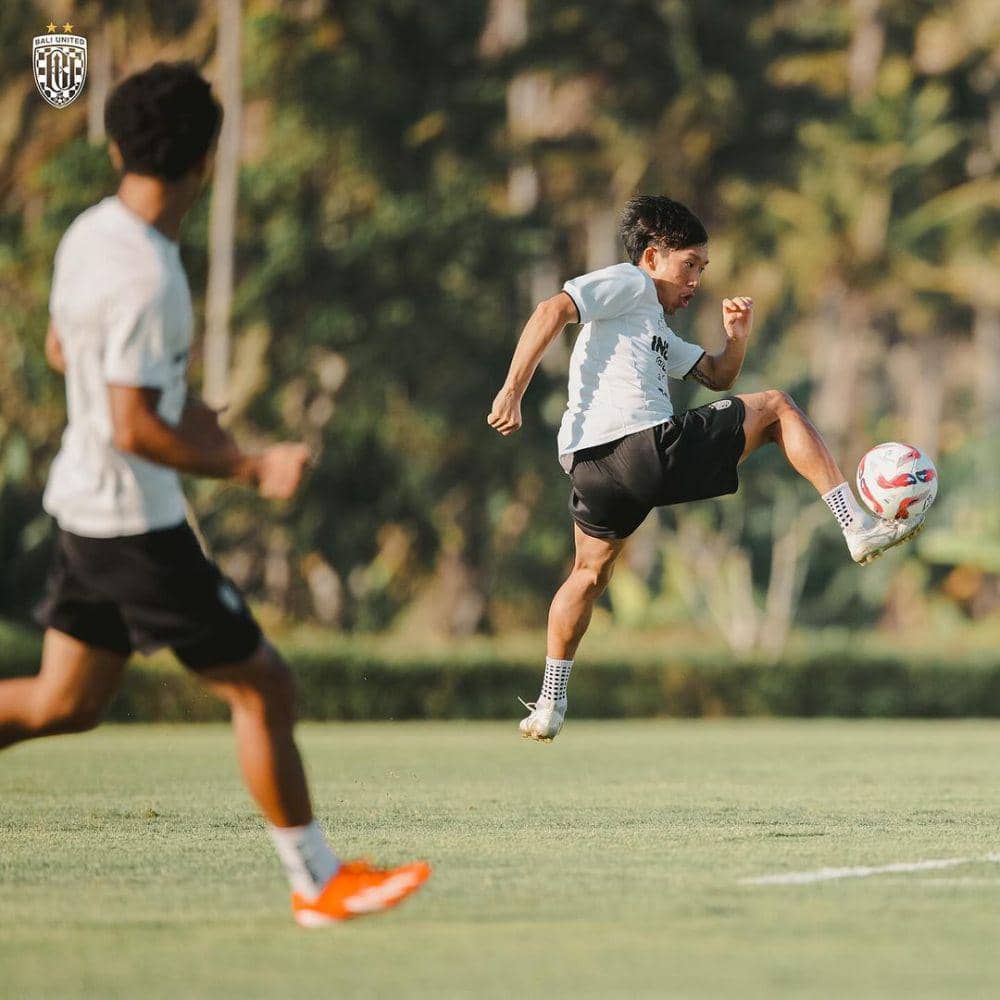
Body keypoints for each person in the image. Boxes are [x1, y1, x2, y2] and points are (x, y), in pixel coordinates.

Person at [2, 62, 429, 925]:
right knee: (263, 687)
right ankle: (317, 881)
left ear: (120, 148)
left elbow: (62, 351)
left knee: (63, 703)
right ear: (207, 159)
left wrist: (180, 405)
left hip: (84, 506)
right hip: (130, 523)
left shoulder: (90, 235)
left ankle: (317, 879)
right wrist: (251, 465)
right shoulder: (149, 276)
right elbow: (132, 426)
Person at [488, 195, 923, 743]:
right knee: (779, 406)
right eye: (688, 265)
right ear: (650, 258)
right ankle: (854, 523)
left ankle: (550, 701)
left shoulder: (650, 329)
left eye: (702, 269)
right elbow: (552, 309)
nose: (695, 281)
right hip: (641, 447)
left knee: (588, 575)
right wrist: (512, 391)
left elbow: (717, 376)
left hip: (590, 468)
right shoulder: (630, 282)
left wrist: (736, 338)